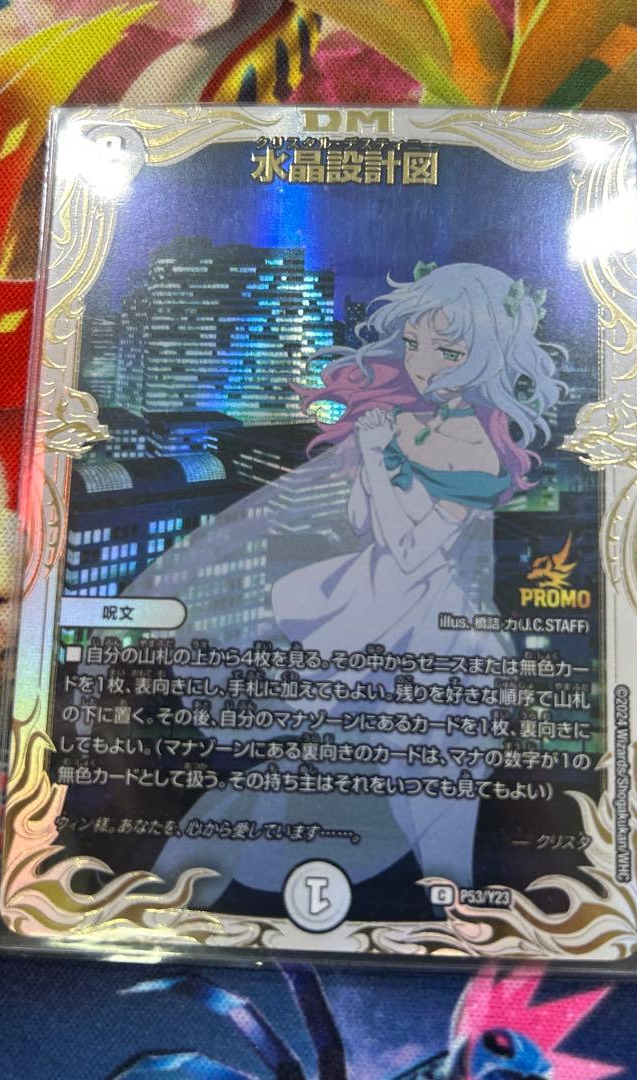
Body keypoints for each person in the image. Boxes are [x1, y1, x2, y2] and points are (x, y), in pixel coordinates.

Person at [141, 261, 564, 907]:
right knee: (281, 767)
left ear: (485, 356)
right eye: (415, 343)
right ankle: (174, 899)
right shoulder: (408, 421)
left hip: (425, 630)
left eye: (448, 351)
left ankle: (452, 911)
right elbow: (367, 524)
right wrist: (374, 459)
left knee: (431, 794)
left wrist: (375, 456)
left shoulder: (475, 448)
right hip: (362, 608)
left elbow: (412, 550)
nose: (423, 363)